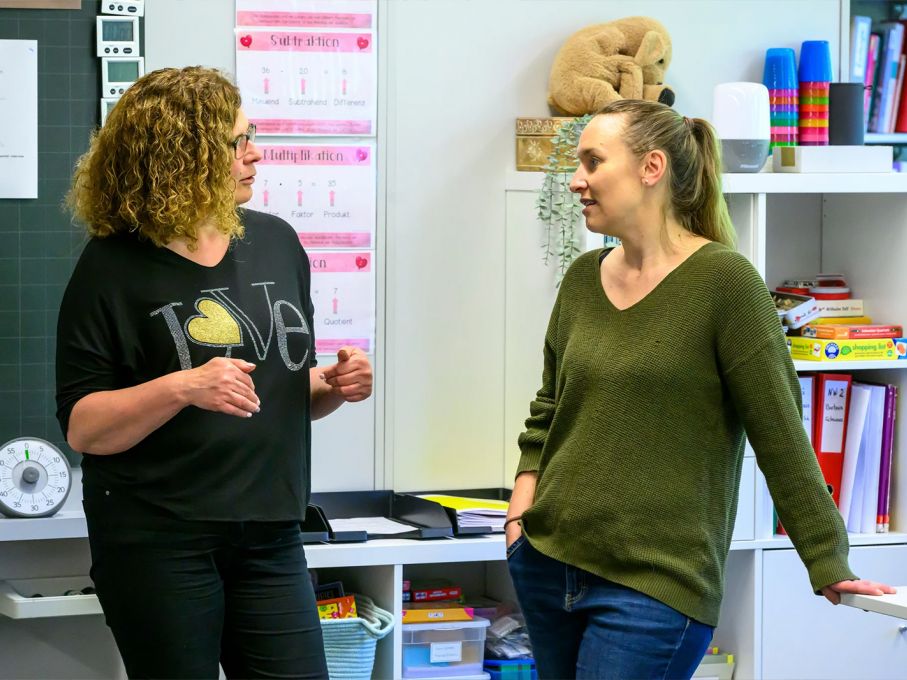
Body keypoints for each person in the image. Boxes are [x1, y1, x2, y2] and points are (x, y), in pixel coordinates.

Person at [504, 99, 895, 680]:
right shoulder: (583, 279)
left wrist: (826, 558)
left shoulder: (726, 284)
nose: (576, 179)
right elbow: (549, 410)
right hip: (549, 565)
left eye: (592, 160)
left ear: (651, 167)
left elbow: (779, 430)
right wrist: (520, 518)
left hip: (656, 587)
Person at [56, 66, 372, 679]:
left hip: (271, 530)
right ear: (183, 157)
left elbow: (281, 390)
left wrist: (332, 387)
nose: (255, 154)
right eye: (236, 143)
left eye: (250, 136)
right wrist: (181, 387)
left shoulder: (278, 242)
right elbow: (84, 428)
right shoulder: (111, 267)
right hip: (158, 540)